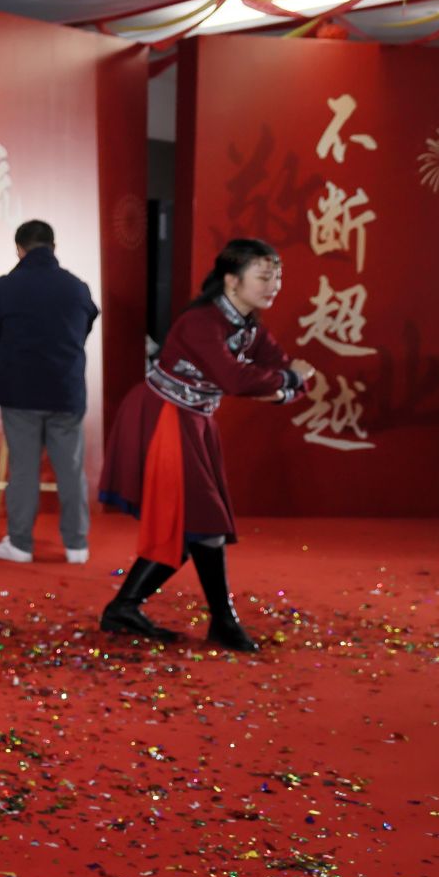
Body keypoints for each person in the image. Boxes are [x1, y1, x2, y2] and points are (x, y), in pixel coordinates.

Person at [97, 239, 313, 651]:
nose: (273, 285)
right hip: (164, 419)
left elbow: (277, 373)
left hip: (193, 422)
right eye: (264, 277)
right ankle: (221, 621)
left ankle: (126, 608)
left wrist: (286, 383)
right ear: (232, 281)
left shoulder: (249, 327)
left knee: (191, 522)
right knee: (203, 520)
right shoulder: (201, 322)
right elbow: (238, 379)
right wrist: (289, 381)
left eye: (277, 277)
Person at [0, 219, 101, 565]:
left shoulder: (6, 287)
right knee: (70, 469)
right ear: (53, 247)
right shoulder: (77, 287)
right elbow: (85, 324)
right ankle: (77, 546)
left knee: (24, 469)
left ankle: (20, 544)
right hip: (66, 390)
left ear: (19, 249)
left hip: (20, 391)